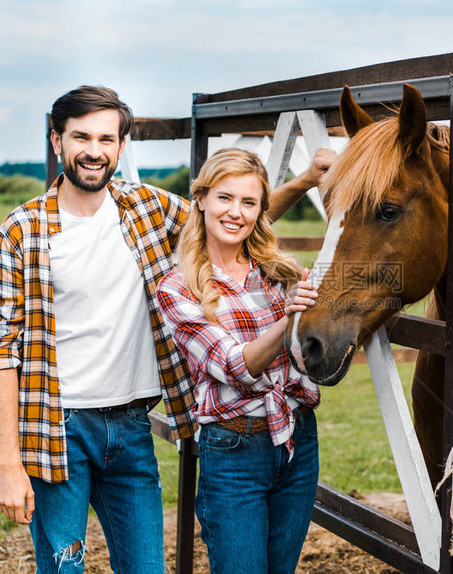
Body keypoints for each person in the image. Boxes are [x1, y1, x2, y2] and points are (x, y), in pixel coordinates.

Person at [0, 85, 334, 573]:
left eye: (106, 139)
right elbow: (2, 351)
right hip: (60, 429)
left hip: (131, 427)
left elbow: (229, 218)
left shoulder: (145, 209)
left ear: (120, 147)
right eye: (80, 137)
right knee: (64, 567)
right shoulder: (20, 231)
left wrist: (305, 182)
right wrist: (8, 465)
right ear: (56, 141)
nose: (93, 151)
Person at [157, 148, 321, 574]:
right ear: (201, 199)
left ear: (260, 212)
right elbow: (235, 366)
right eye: (225, 198)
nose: (235, 212)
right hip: (234, 452)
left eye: (249, 202)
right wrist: (289, 320)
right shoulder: (177, 288)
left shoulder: (278, 272)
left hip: (297, 440)